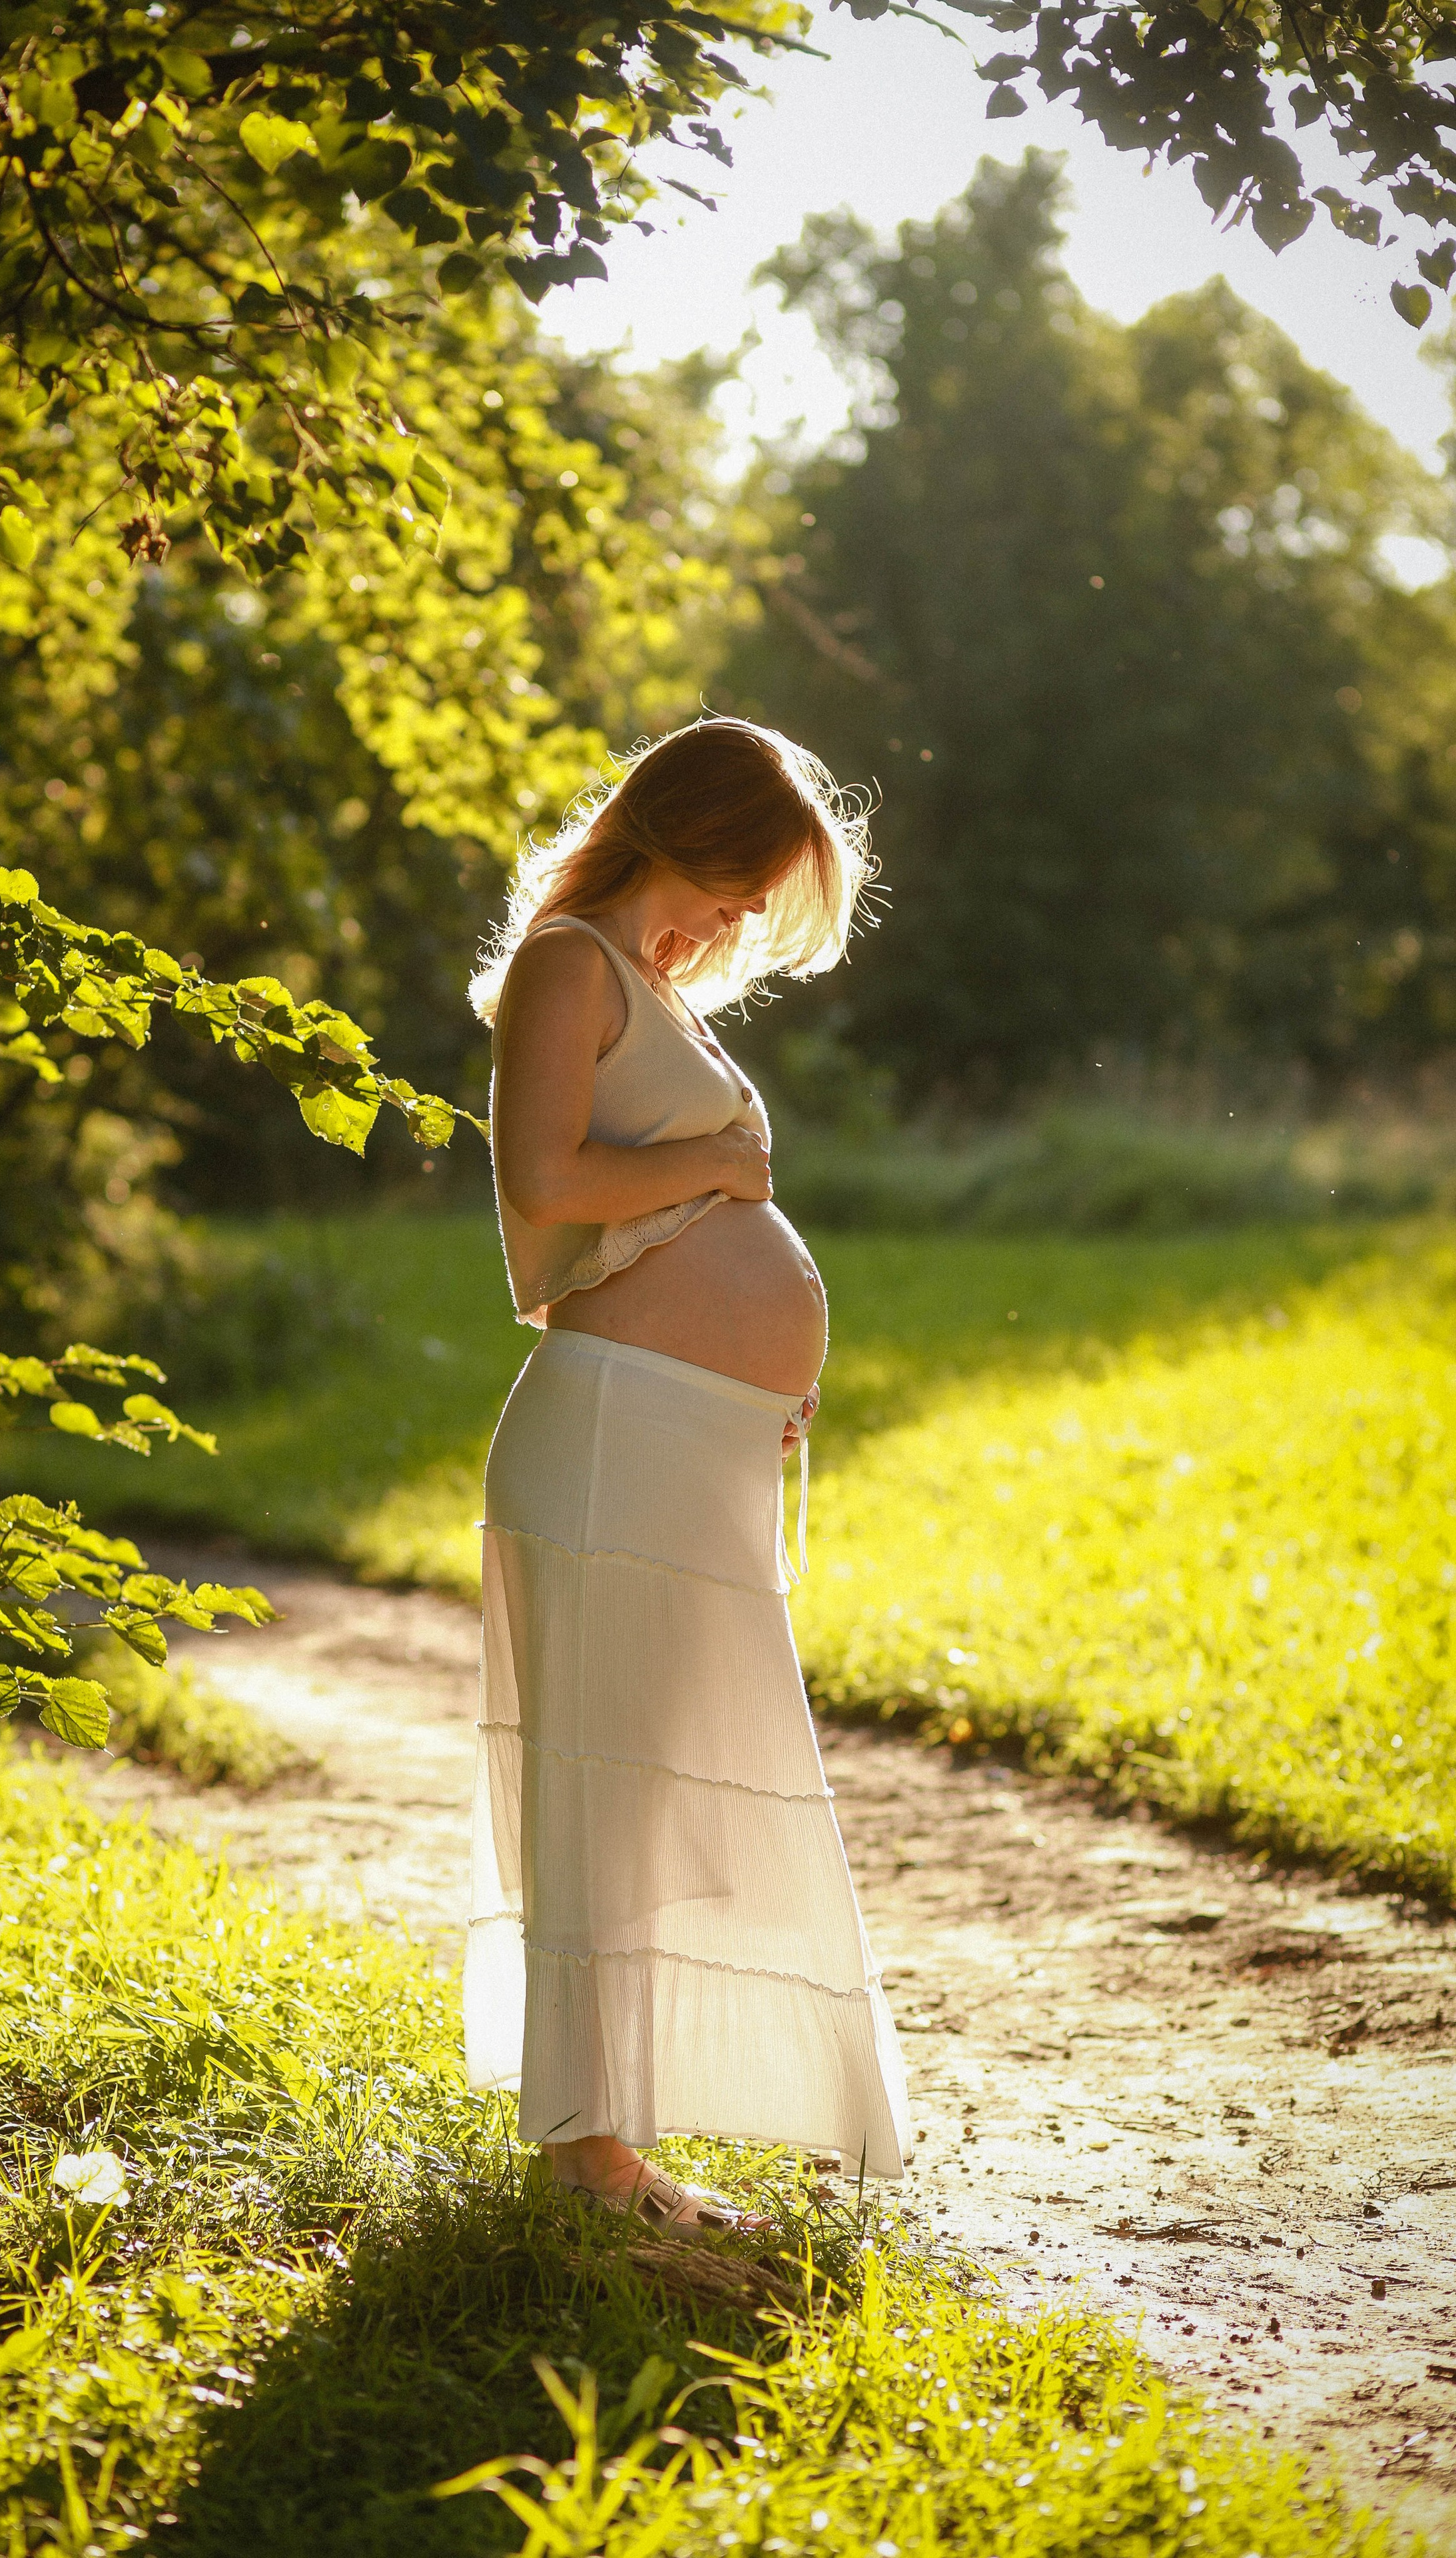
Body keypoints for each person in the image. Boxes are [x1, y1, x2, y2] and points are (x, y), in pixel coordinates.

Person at [463, 715, 910, 2232]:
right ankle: (591, 2168)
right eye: (734, 885)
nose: (735, 923)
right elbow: (544, 1184)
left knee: (653, 1789)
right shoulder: (568, 964)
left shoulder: (644, 985)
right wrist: (717, 1176)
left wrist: (753, 1383)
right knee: (609, 1789)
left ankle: (617, 2143)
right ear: (680, 835)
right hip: (610, 1435)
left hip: (676, 1442)